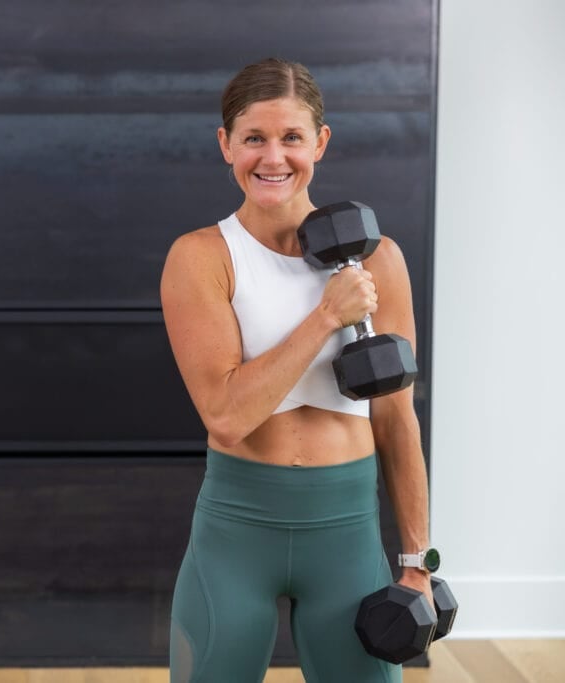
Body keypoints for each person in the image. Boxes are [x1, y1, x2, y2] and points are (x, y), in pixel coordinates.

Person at [160, 58, 433, 682]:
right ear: (225, 144)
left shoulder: (379, 260)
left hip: (347, 535)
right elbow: (227, 418)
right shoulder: (203, 258)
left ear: (321, 142)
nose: (273, 157)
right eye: (254, 137)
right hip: (236, 532)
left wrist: (418, 557)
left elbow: (396, 418)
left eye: (291, 138)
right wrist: (324, 318)